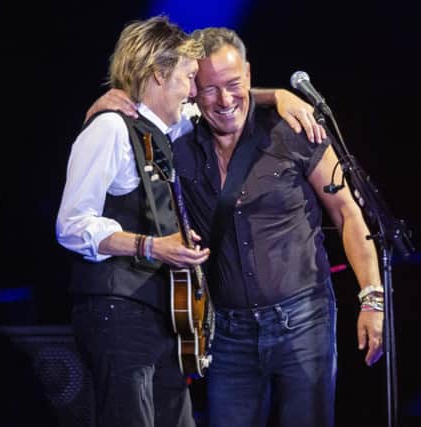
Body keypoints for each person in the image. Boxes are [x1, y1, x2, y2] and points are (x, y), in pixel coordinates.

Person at [58, 16, 326, 427]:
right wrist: (149, 246)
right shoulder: (111, 127)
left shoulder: (167, 128)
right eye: (187, 78)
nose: (193, 91)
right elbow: (71, 226)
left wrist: (278, 97)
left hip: (157, 315)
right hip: (116, 311)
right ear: (157, 76)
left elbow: (225, 100)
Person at [171, 28, 384, 426]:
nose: (224, 99)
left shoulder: (296, 129)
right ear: (192, 91)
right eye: (210, 89)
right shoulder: (180, 138)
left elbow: (347, 213)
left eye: (234, 84)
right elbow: (136, 109)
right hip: (228, 333)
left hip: (303, 321)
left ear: (249, 74)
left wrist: (372, 299)